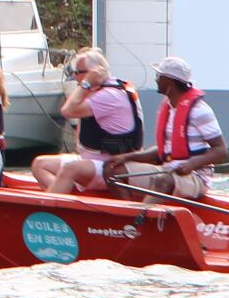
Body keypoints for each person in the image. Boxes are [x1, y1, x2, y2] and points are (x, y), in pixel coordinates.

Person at [102, 55, 227, 200]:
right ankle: (129, 215)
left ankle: (141, 219)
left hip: (195, 177)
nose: (156, 80)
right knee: (112, 170)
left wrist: (191, 163)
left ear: (169, 81)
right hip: (166, 170)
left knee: (162, 180)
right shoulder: (169, 108)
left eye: (159, 76)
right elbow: (163, 151)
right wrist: (127, 157)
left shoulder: (200, 111)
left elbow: (221, 150)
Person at [31, 49, 144, 196]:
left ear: (93, 73)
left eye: (77, 72)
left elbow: (67, 111)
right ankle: (65, 199)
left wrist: (85, 84)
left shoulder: (109, 96)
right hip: (93, 160)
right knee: (39, 165)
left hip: (112, 166)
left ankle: (50, 207)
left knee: (71, 169)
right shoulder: (100, 91)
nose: (74, 76)